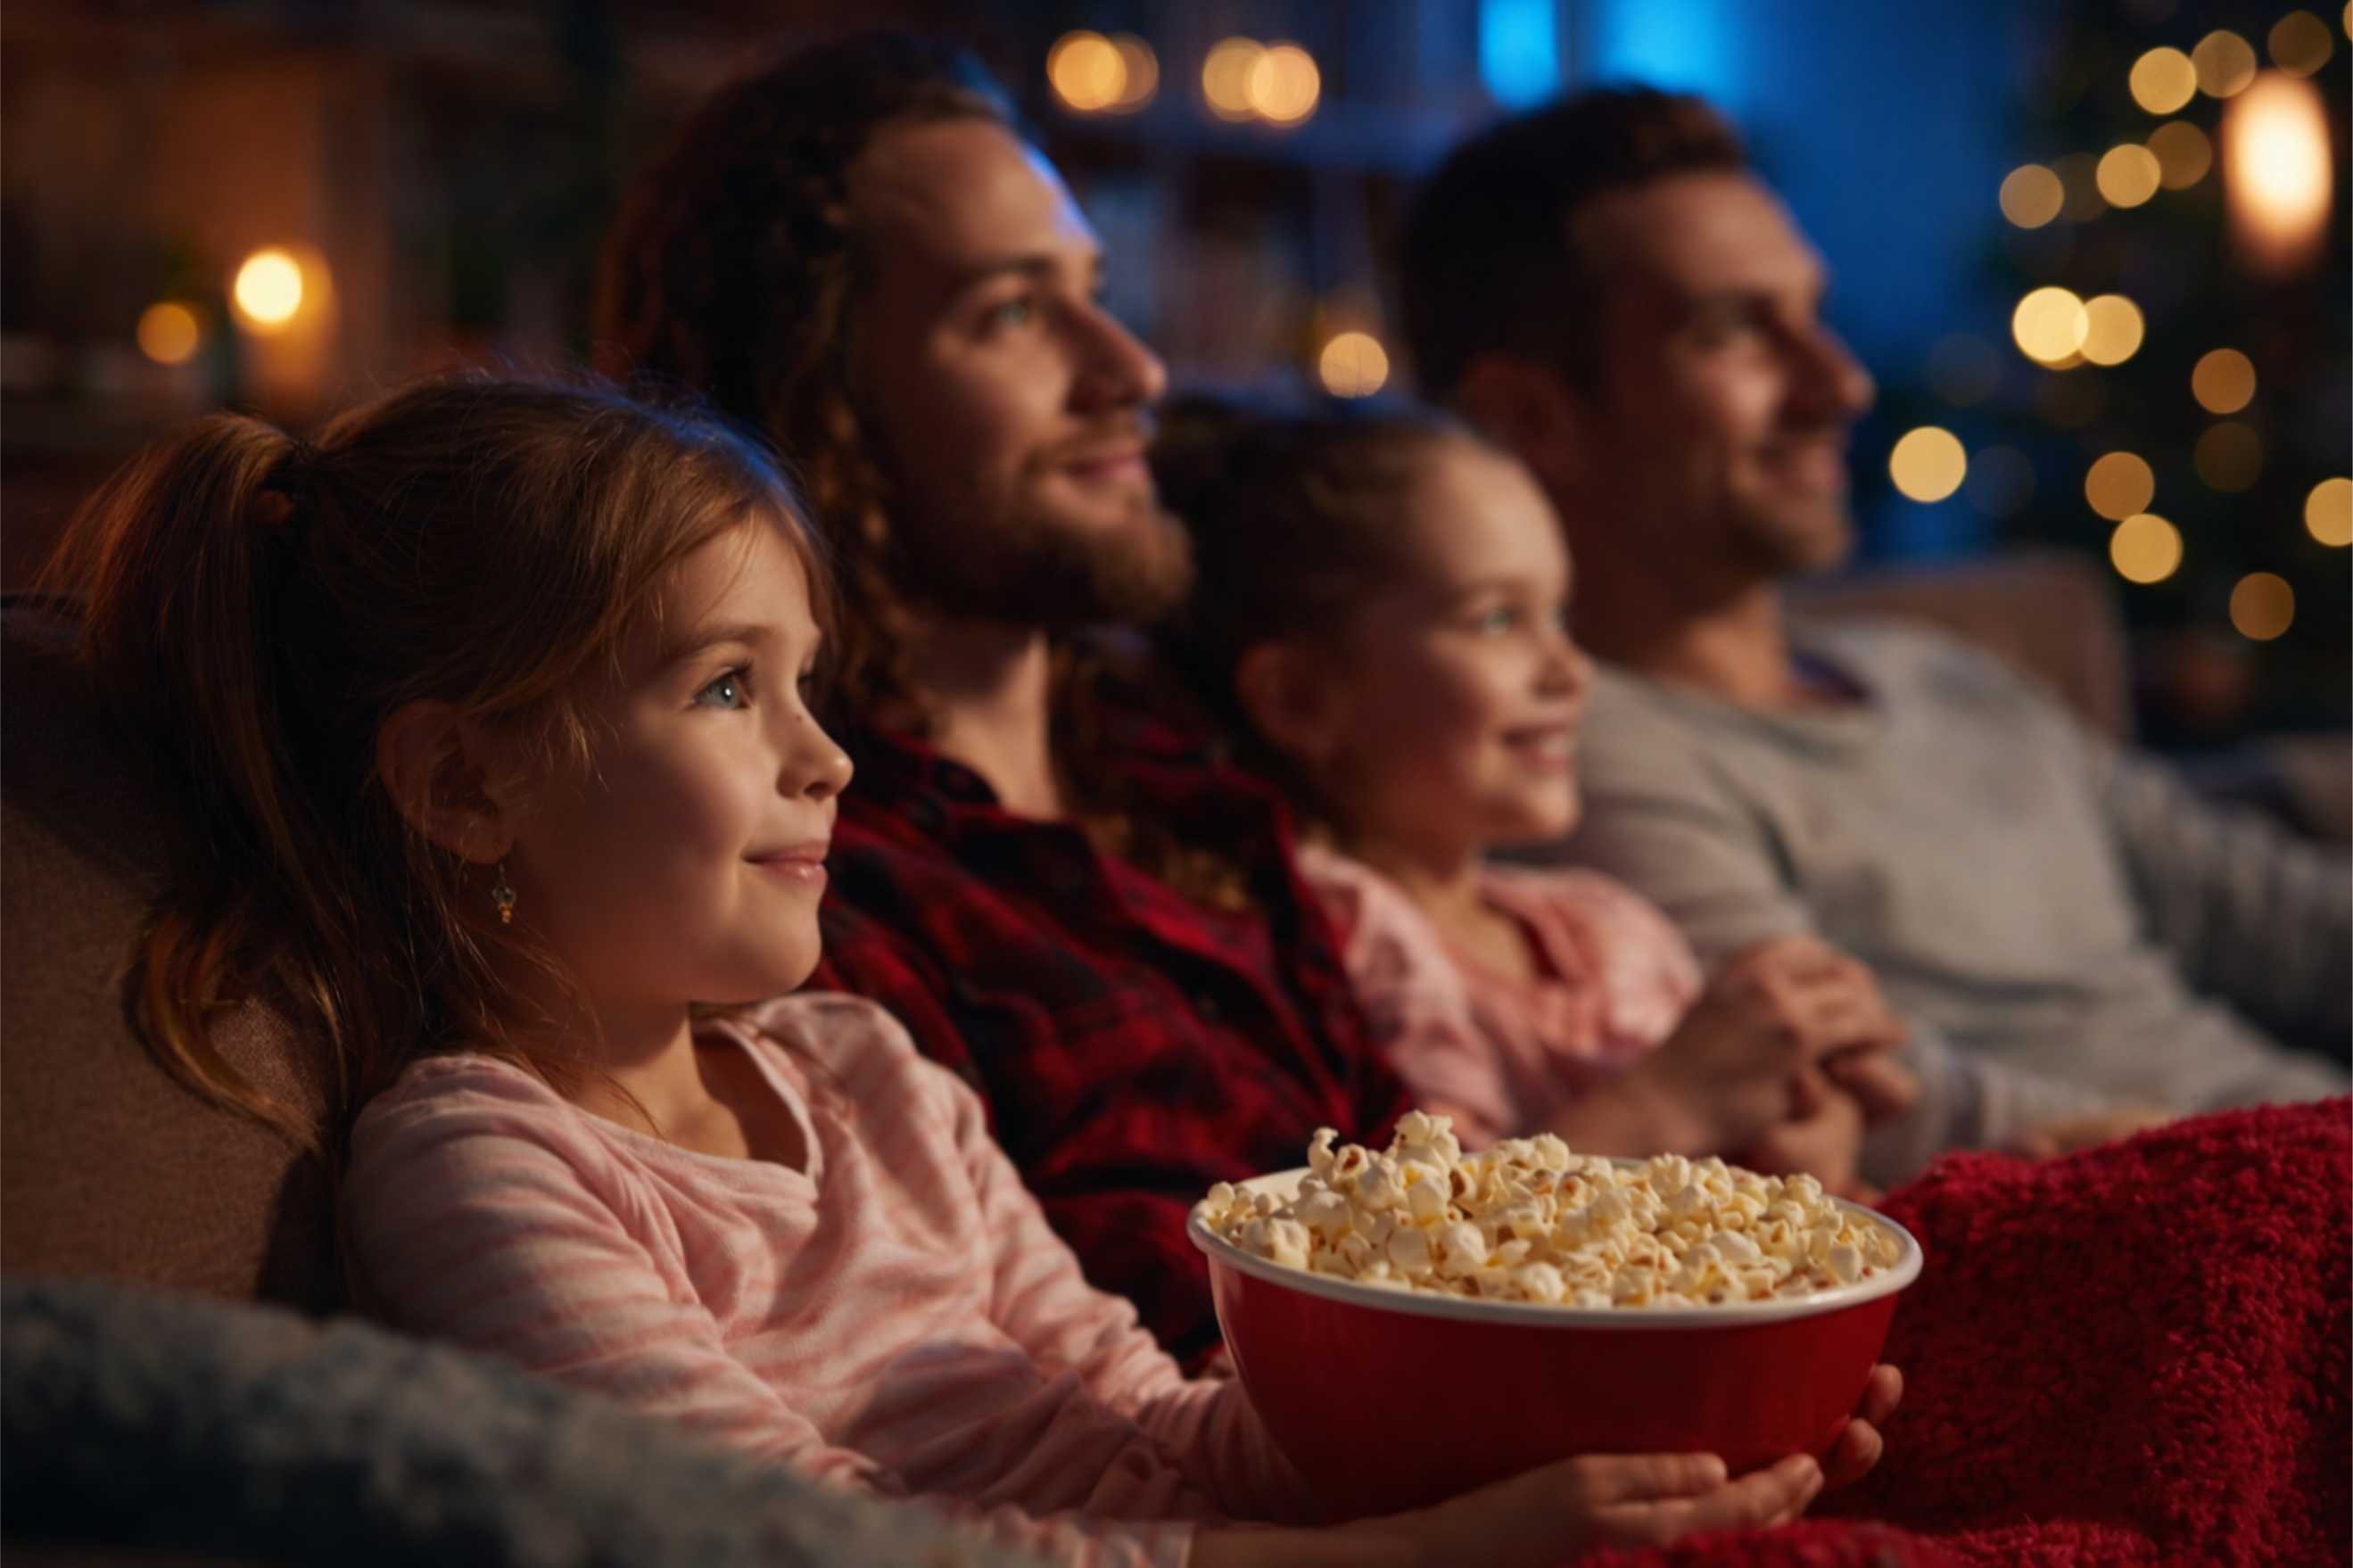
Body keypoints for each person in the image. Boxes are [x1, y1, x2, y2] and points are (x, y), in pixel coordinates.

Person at [37, 375, 1883, 1565]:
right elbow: (805, 1549)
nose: (827, 757)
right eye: (724, 687)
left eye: (809, 683)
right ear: (465, 785)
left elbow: (1141, 1420)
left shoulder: (862, 1067)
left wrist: (1578, 1420)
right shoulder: (479, 1162)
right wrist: (1403, 1558)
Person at [592, 33, 1413, 1364]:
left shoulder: (1175, 767)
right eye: (1013, 314)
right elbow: (1005, 1389)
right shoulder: (797, 867)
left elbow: (1422, 1187)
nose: (1133, 371)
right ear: (817, 398)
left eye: (1095, 292)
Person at [1398, 87, 2347, 1176]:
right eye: (1733, 331)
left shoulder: (1945, 676)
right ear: (1531, 419)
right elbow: (1862, 1094)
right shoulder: (1567, 755)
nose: (1839, 384)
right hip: (2207, 1199)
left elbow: (2271, 915)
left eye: (1812, 314)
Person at [1153, 396, 2129, 1195]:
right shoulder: (1343, 942)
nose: (1568, 669)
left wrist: (1806, 1141)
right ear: (1301, 699)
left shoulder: (1605, 929)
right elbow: (1427, 1260)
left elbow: (1753, 1209)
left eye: (1559, 615)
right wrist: (1669, 1101)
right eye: (1497, 620)